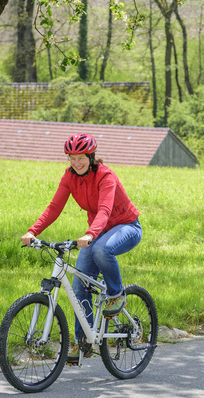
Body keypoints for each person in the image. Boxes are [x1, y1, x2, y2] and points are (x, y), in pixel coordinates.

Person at [21, 133, 142, 356]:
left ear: (91, 156)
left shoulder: (106, 176)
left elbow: (105, 209)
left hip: (127, 227)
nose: (76, 163)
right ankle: (83, 341)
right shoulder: (69, 177)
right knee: (79, 287)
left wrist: (89, 234)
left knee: (100, 248)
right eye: (72, 159)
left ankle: (116, 294)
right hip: (98, 230)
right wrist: (33, 231)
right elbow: (53, 208)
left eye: (81, 158)